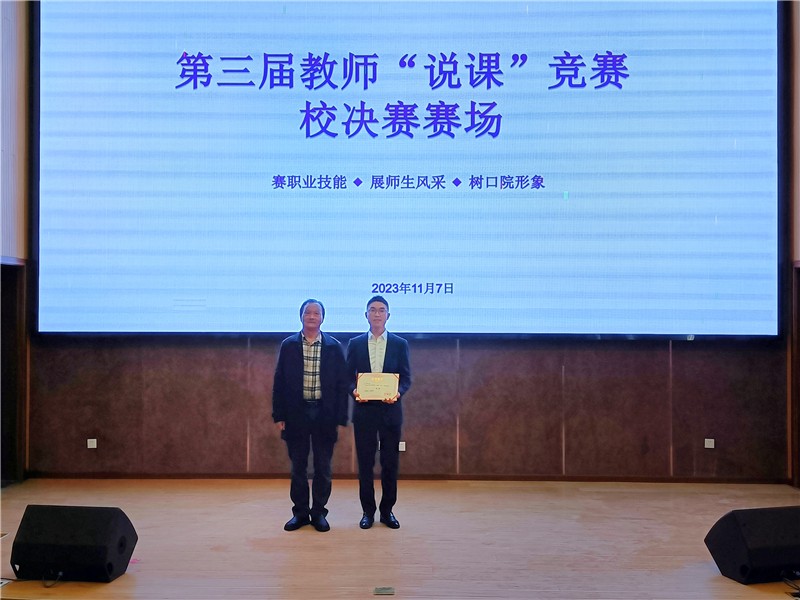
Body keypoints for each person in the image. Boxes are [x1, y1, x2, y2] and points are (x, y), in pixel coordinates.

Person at [272, 299, 349, 532]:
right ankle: (300, 513)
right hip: (296, 413)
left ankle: (318, 513)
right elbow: (279, 381)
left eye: (317, 313)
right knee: (298, 467)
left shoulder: (334, 347)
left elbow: (341, 384)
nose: (312, 316)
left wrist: (340, 417)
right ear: (301, 316)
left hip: (324, 414)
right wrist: (279, 415)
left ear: (323, 318)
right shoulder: (289, 345)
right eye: (308, 312)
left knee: (323, 466)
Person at [346, 295, 412, 530]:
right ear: (366, 315)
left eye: (381, 310)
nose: (377, 314)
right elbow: (347, 377)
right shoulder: (355, 344)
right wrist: (354, 390)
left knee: (390, 463)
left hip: (390, 412)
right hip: (364, 412)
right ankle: (368, 512)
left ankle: (387, 511)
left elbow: (406, 378)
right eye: (372, 310)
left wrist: (398, 392)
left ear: (388, 315)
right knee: (365, 464)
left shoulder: (399, 344)